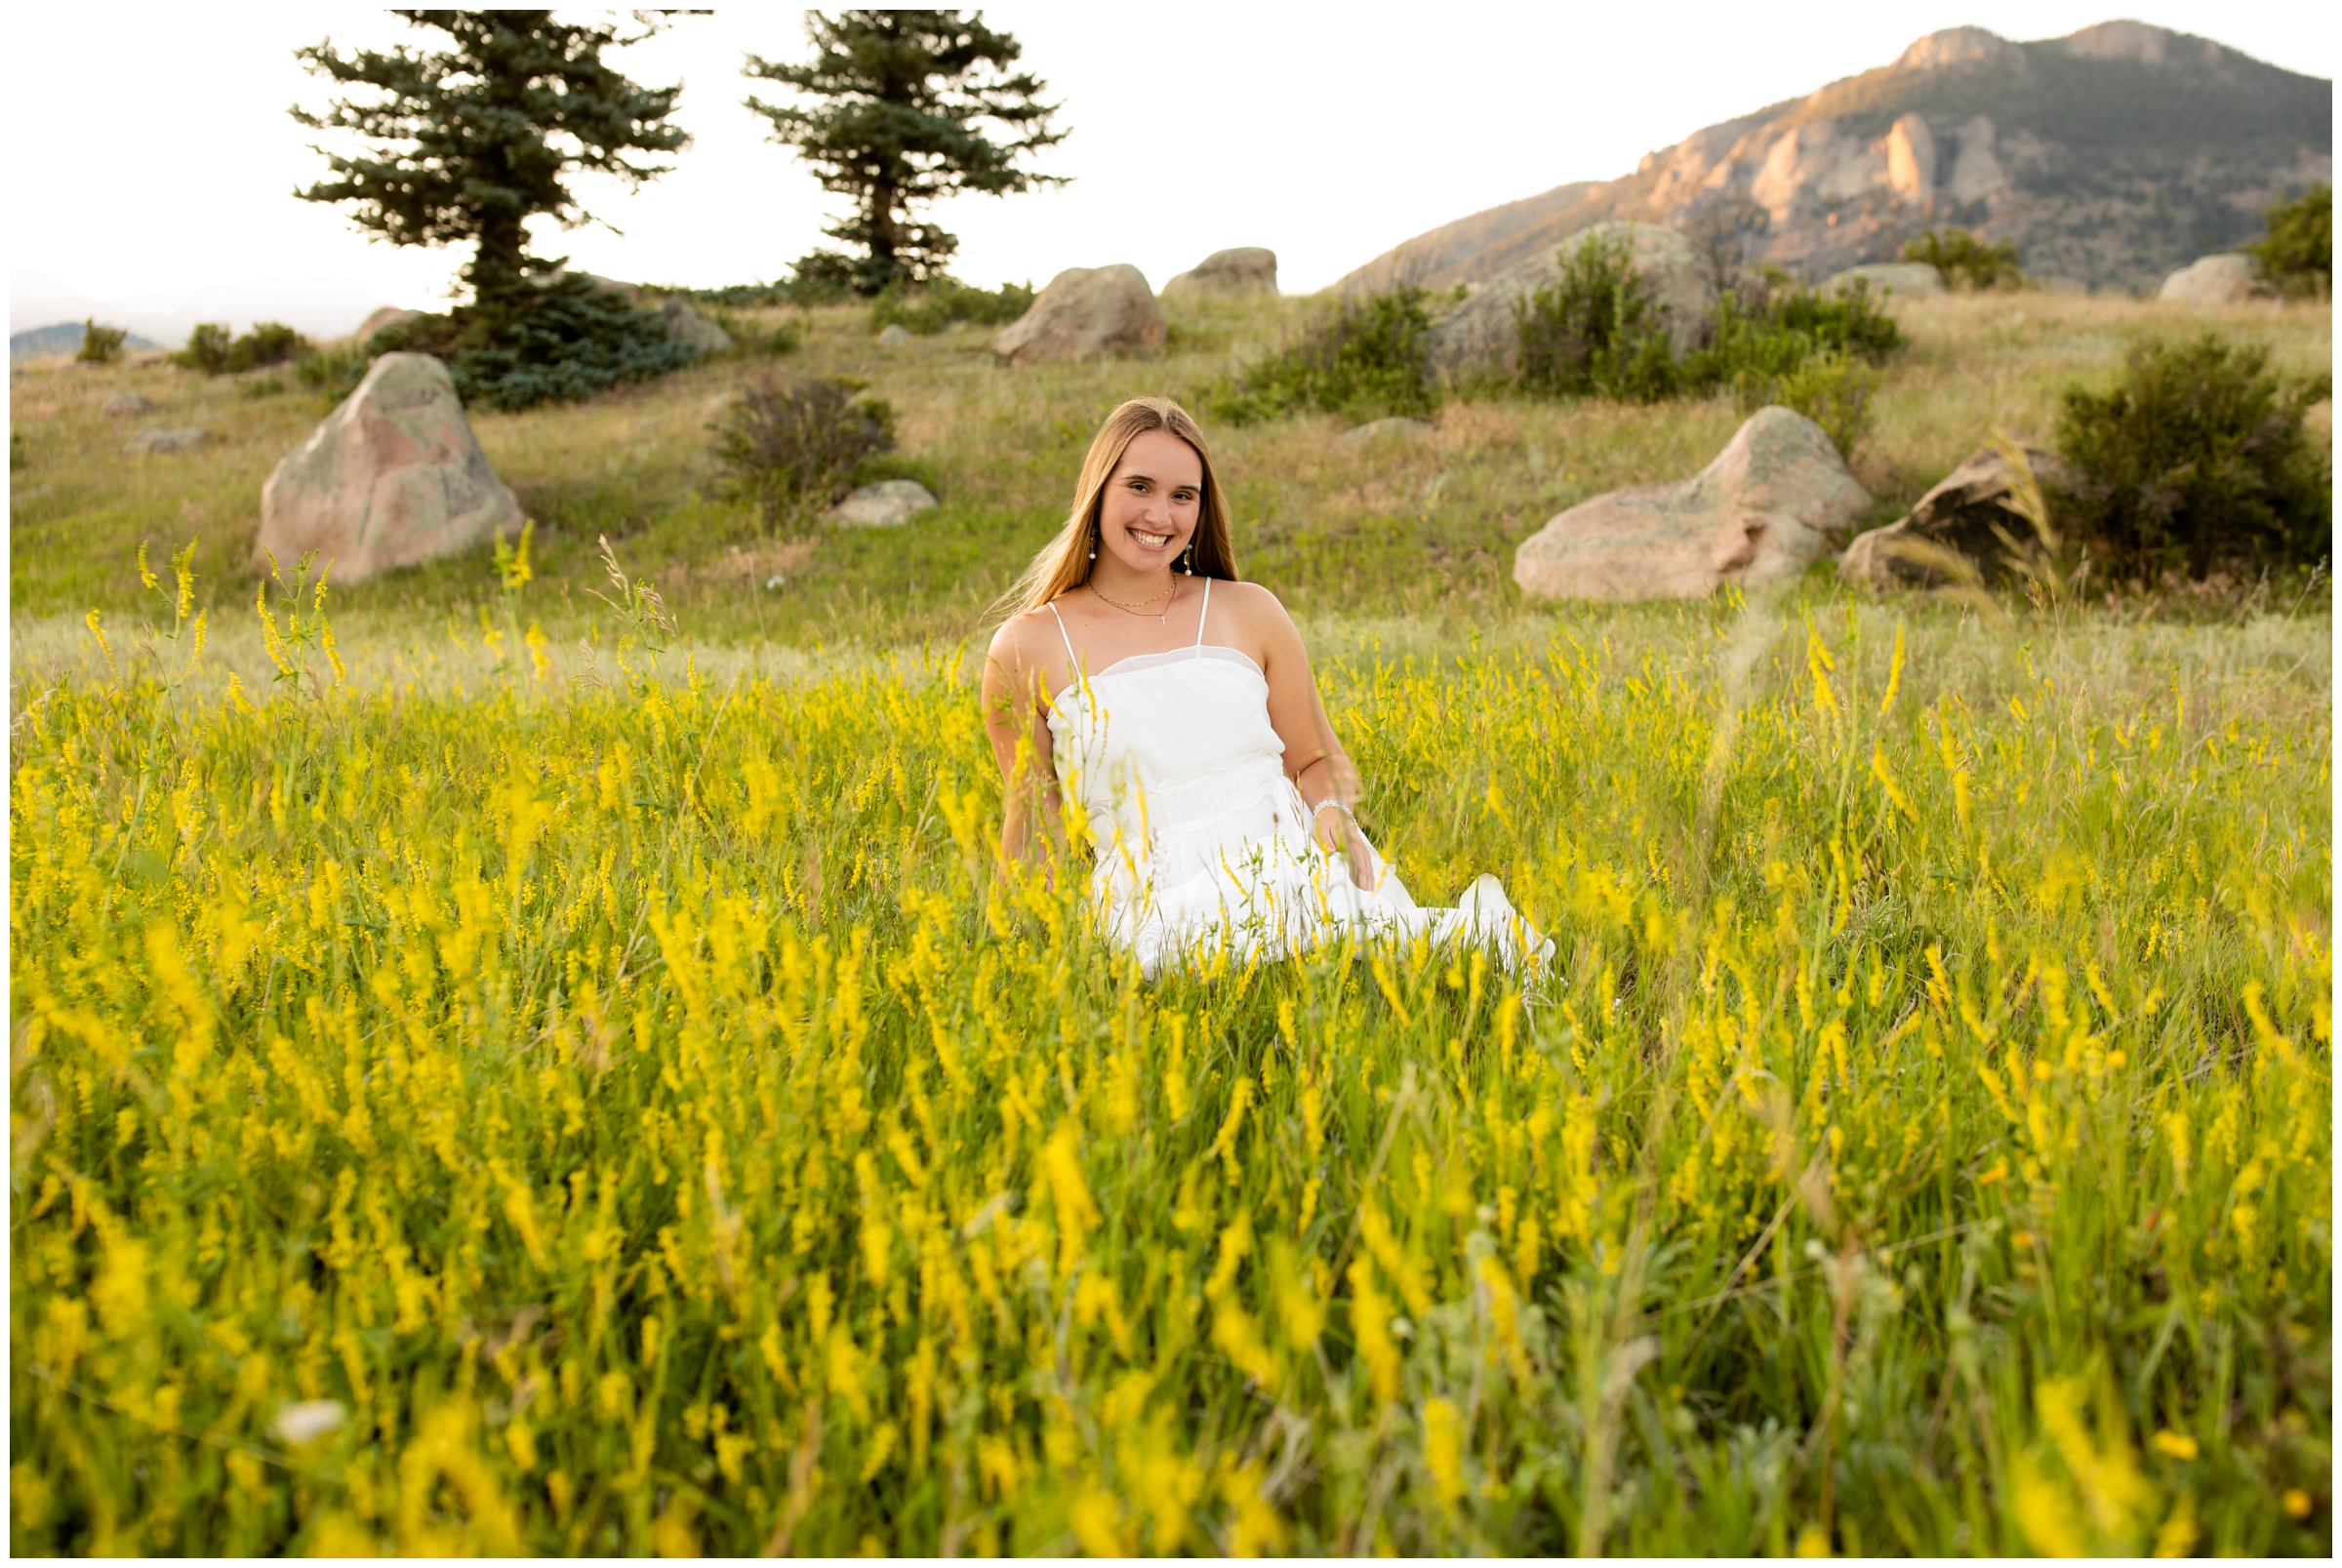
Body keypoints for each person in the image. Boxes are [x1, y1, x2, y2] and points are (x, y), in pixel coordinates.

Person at [980, 396, 1551, 980]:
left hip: (1292, 865)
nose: (1160, 516)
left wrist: (1333, 815)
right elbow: (1034, 833)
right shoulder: (1026, 647)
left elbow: (1315, 760)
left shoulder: (1248, 610)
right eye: (1140, 487)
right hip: (1154, 904)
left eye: (1183, 496)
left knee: (1441, 977)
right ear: (1098, 491)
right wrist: (1026, 969)